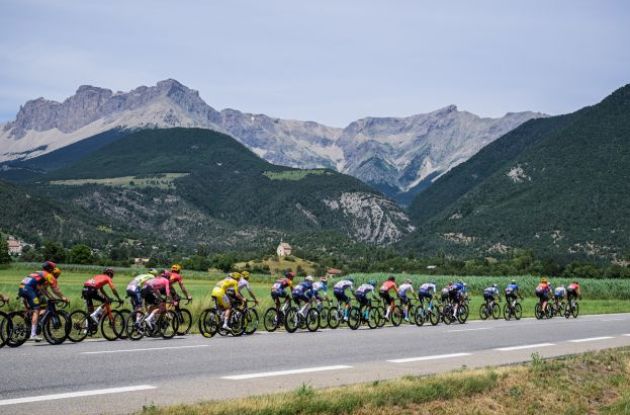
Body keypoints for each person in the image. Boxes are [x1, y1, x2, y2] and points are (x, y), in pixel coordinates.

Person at [17, 261, 68, 342]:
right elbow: (55, 290)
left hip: (22, 288)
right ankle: (33, 334)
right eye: (53, 268)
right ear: (50, 269)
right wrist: (63, 297)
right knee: (37, 309)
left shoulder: (38, 273)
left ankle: (31, 325)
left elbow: (42, 289)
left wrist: (50, 297)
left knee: (34, 309)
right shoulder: (48, 275)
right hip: (29, 289)